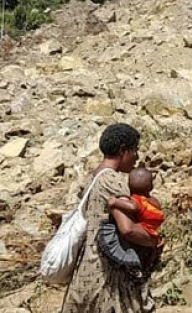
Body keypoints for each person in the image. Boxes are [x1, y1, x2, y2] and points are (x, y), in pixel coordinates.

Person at [61, 124, 161, 313]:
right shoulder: (112, 181)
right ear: (123, 150)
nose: (137, 157)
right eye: (135, 151)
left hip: (85, 270)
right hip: (108, 275)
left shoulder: (93, 177)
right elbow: (128, 229)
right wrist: (153, 239)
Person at [107, 167, 166, 269]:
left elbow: (133, 207)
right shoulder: (153, 200)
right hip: (156, 225)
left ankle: (145, 264)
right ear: (151, 187)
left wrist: (116, 202)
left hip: (148, 228)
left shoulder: (137, 199)